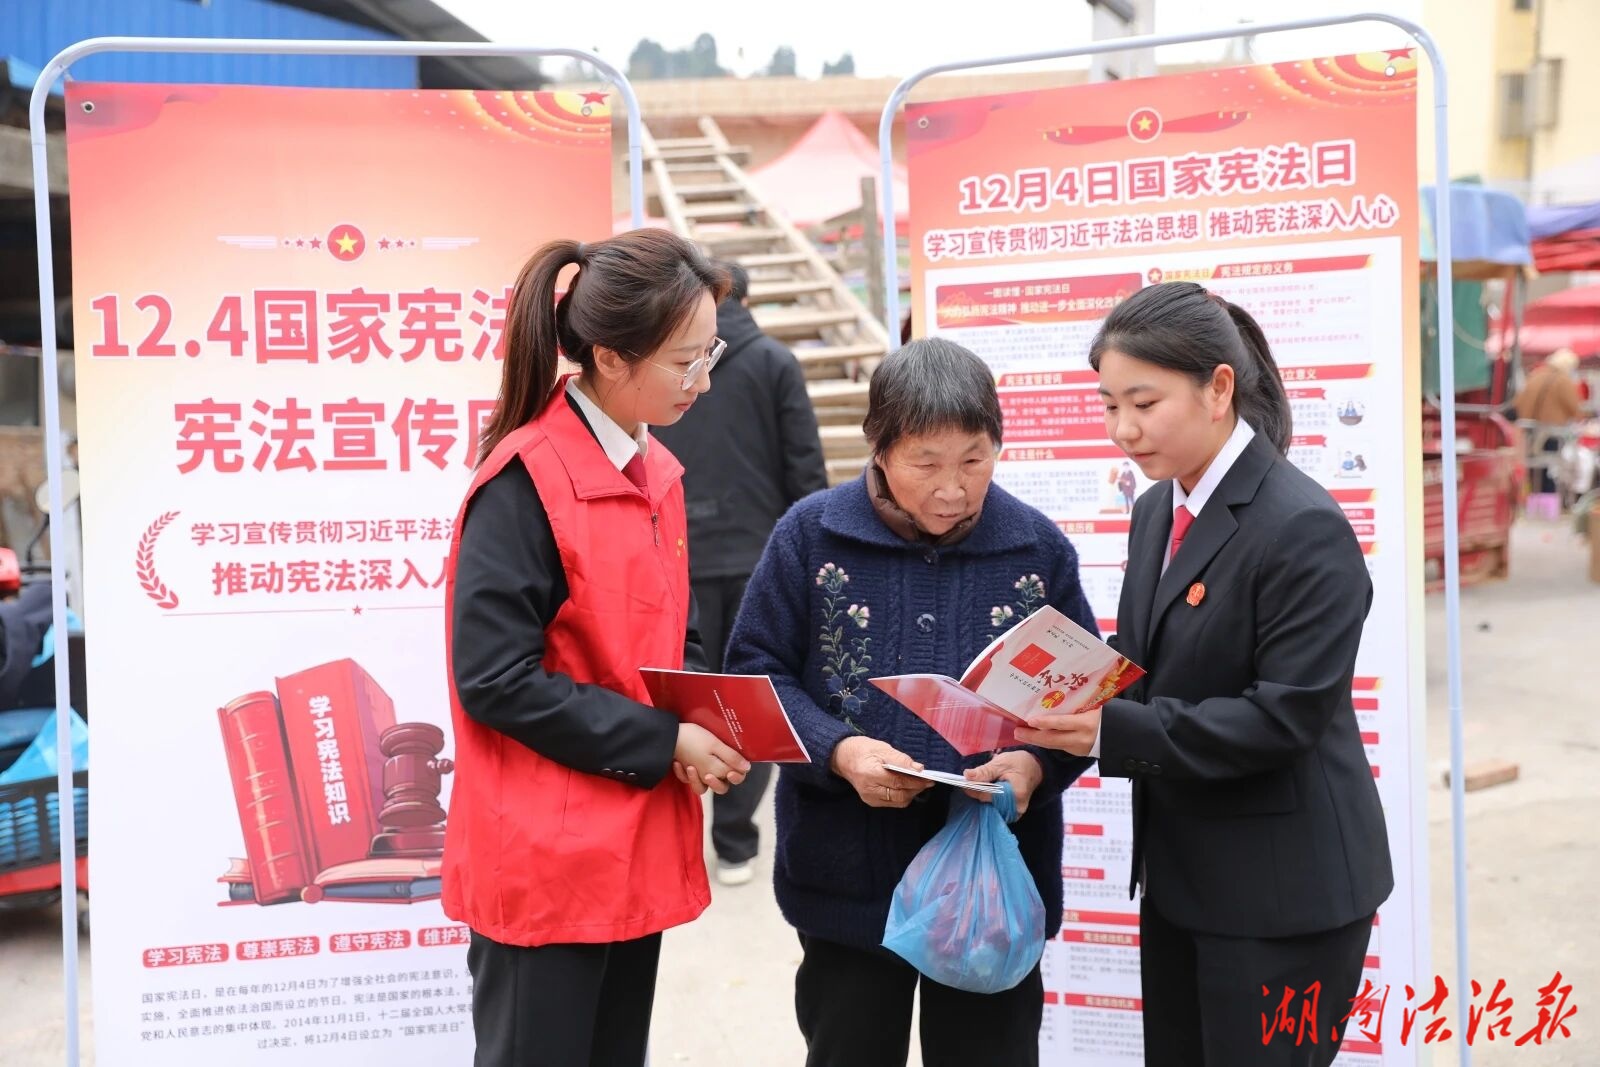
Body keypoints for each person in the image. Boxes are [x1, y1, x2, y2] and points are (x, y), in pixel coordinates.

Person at [1017, 282, 1392, 1067]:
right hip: (1185, 878)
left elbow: (1282, 717)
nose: (1123, 429)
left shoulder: (1302, 526)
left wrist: (1109, 726)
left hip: (1282, 896)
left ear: (1219, 387)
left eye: (1144, 402)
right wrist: (1040, 697)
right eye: (1109, 404)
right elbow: (1150, 656)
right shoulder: (1158, 508)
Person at [724, 337, 1097, 1067]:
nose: (952, 487)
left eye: (974, 459)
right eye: (927, 462)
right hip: (847, 879)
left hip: (992, 888)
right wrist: (841, 749)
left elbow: (1081, 704)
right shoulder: (811, 535)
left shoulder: (1036, 548)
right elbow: (756, 672)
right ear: (881, 448)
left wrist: (1031, 766)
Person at [441, 229, 752, 1067]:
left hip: (625, 838)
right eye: (686, 359)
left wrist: (702, 720)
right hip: (544, 856)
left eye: (709, 350)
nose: (705, 378)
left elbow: (664, 628)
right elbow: (494, 679)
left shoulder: (660, 472)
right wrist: (663, 740)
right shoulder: (524, 480)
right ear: (611, 358)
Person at [653, 259, 829, 886]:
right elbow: (804, 465)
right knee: (751, 700)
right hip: (762, 558)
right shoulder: (775, 361)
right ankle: (733, 840)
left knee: (689, 695)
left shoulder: (660, 362)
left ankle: (678, 831)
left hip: (681, 554)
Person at [1513, 347, 1584, 502]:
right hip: (1552, 433)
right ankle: (1550, 503)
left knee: (1536, 469)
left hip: (1531, 431)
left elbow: (1518, 402)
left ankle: (1535, 501)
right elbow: (1575, 408)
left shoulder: (1534, 376)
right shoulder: (1563, 381)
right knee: (1552, 470)